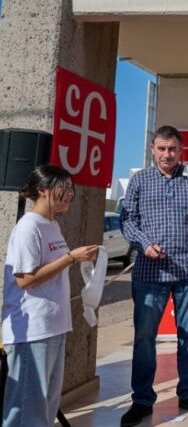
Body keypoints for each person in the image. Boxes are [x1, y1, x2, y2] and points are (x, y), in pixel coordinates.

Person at [119, 126, 188, 427]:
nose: (167, 154)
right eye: (162, 148)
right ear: (153, 149)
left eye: (172, 149)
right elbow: (127, 220)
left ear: (181, 150)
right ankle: (141, 400)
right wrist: (143, 244)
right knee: (144, 338)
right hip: (149, 272)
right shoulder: (139, 180)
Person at [1, 165, 99, 427]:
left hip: (54, 326)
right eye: (63, 188)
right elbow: (25, 279)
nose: (69, 194)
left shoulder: (52, 225)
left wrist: (80, 259)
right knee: (26, 409)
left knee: (44, 406)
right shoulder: (28, 227)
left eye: (71, 188)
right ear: (42, 190)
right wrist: (70, 258)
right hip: (32, 330)